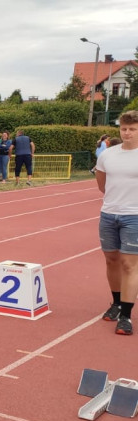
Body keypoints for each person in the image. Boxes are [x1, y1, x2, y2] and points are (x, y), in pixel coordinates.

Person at [95, 110, 138, 335]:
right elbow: (101, 184)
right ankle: (117, 302)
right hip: (109, 214)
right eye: (124, 129)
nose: (127, 133)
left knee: (130, 265)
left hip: (135, 216)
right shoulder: (107, 155)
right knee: (111, 260)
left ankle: (126, 316)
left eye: (132, 129)